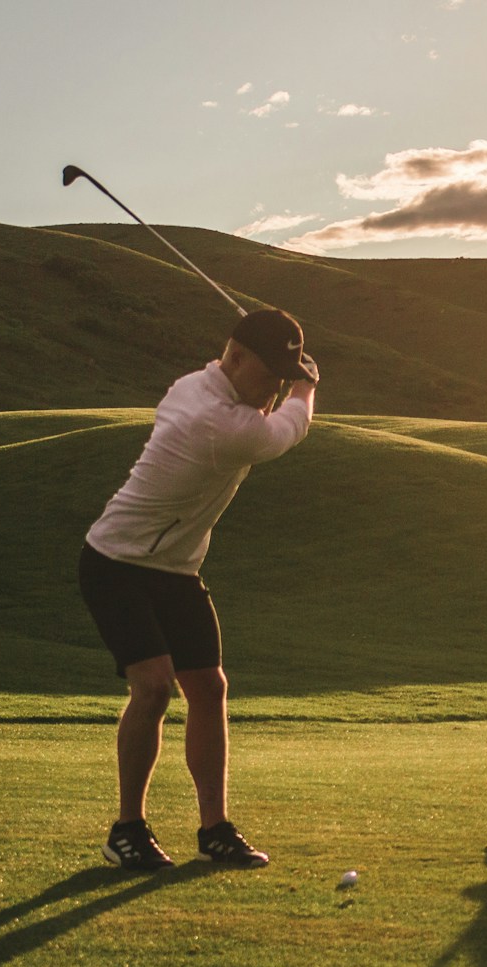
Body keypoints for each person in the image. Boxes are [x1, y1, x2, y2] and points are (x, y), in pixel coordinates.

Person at [78, 308, 318, 870]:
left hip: (176, 571)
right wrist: (307, 386)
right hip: (116, 564)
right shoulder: (217, 424)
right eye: (271, 374)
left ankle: (214, 831)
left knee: (209, 689)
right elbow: (286, 431)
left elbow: (261, 405)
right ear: (234, 357)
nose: (277, 386)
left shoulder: (196, 385)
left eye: (285, 377)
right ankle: (126, 830)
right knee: (155, 687)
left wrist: (283, 370)